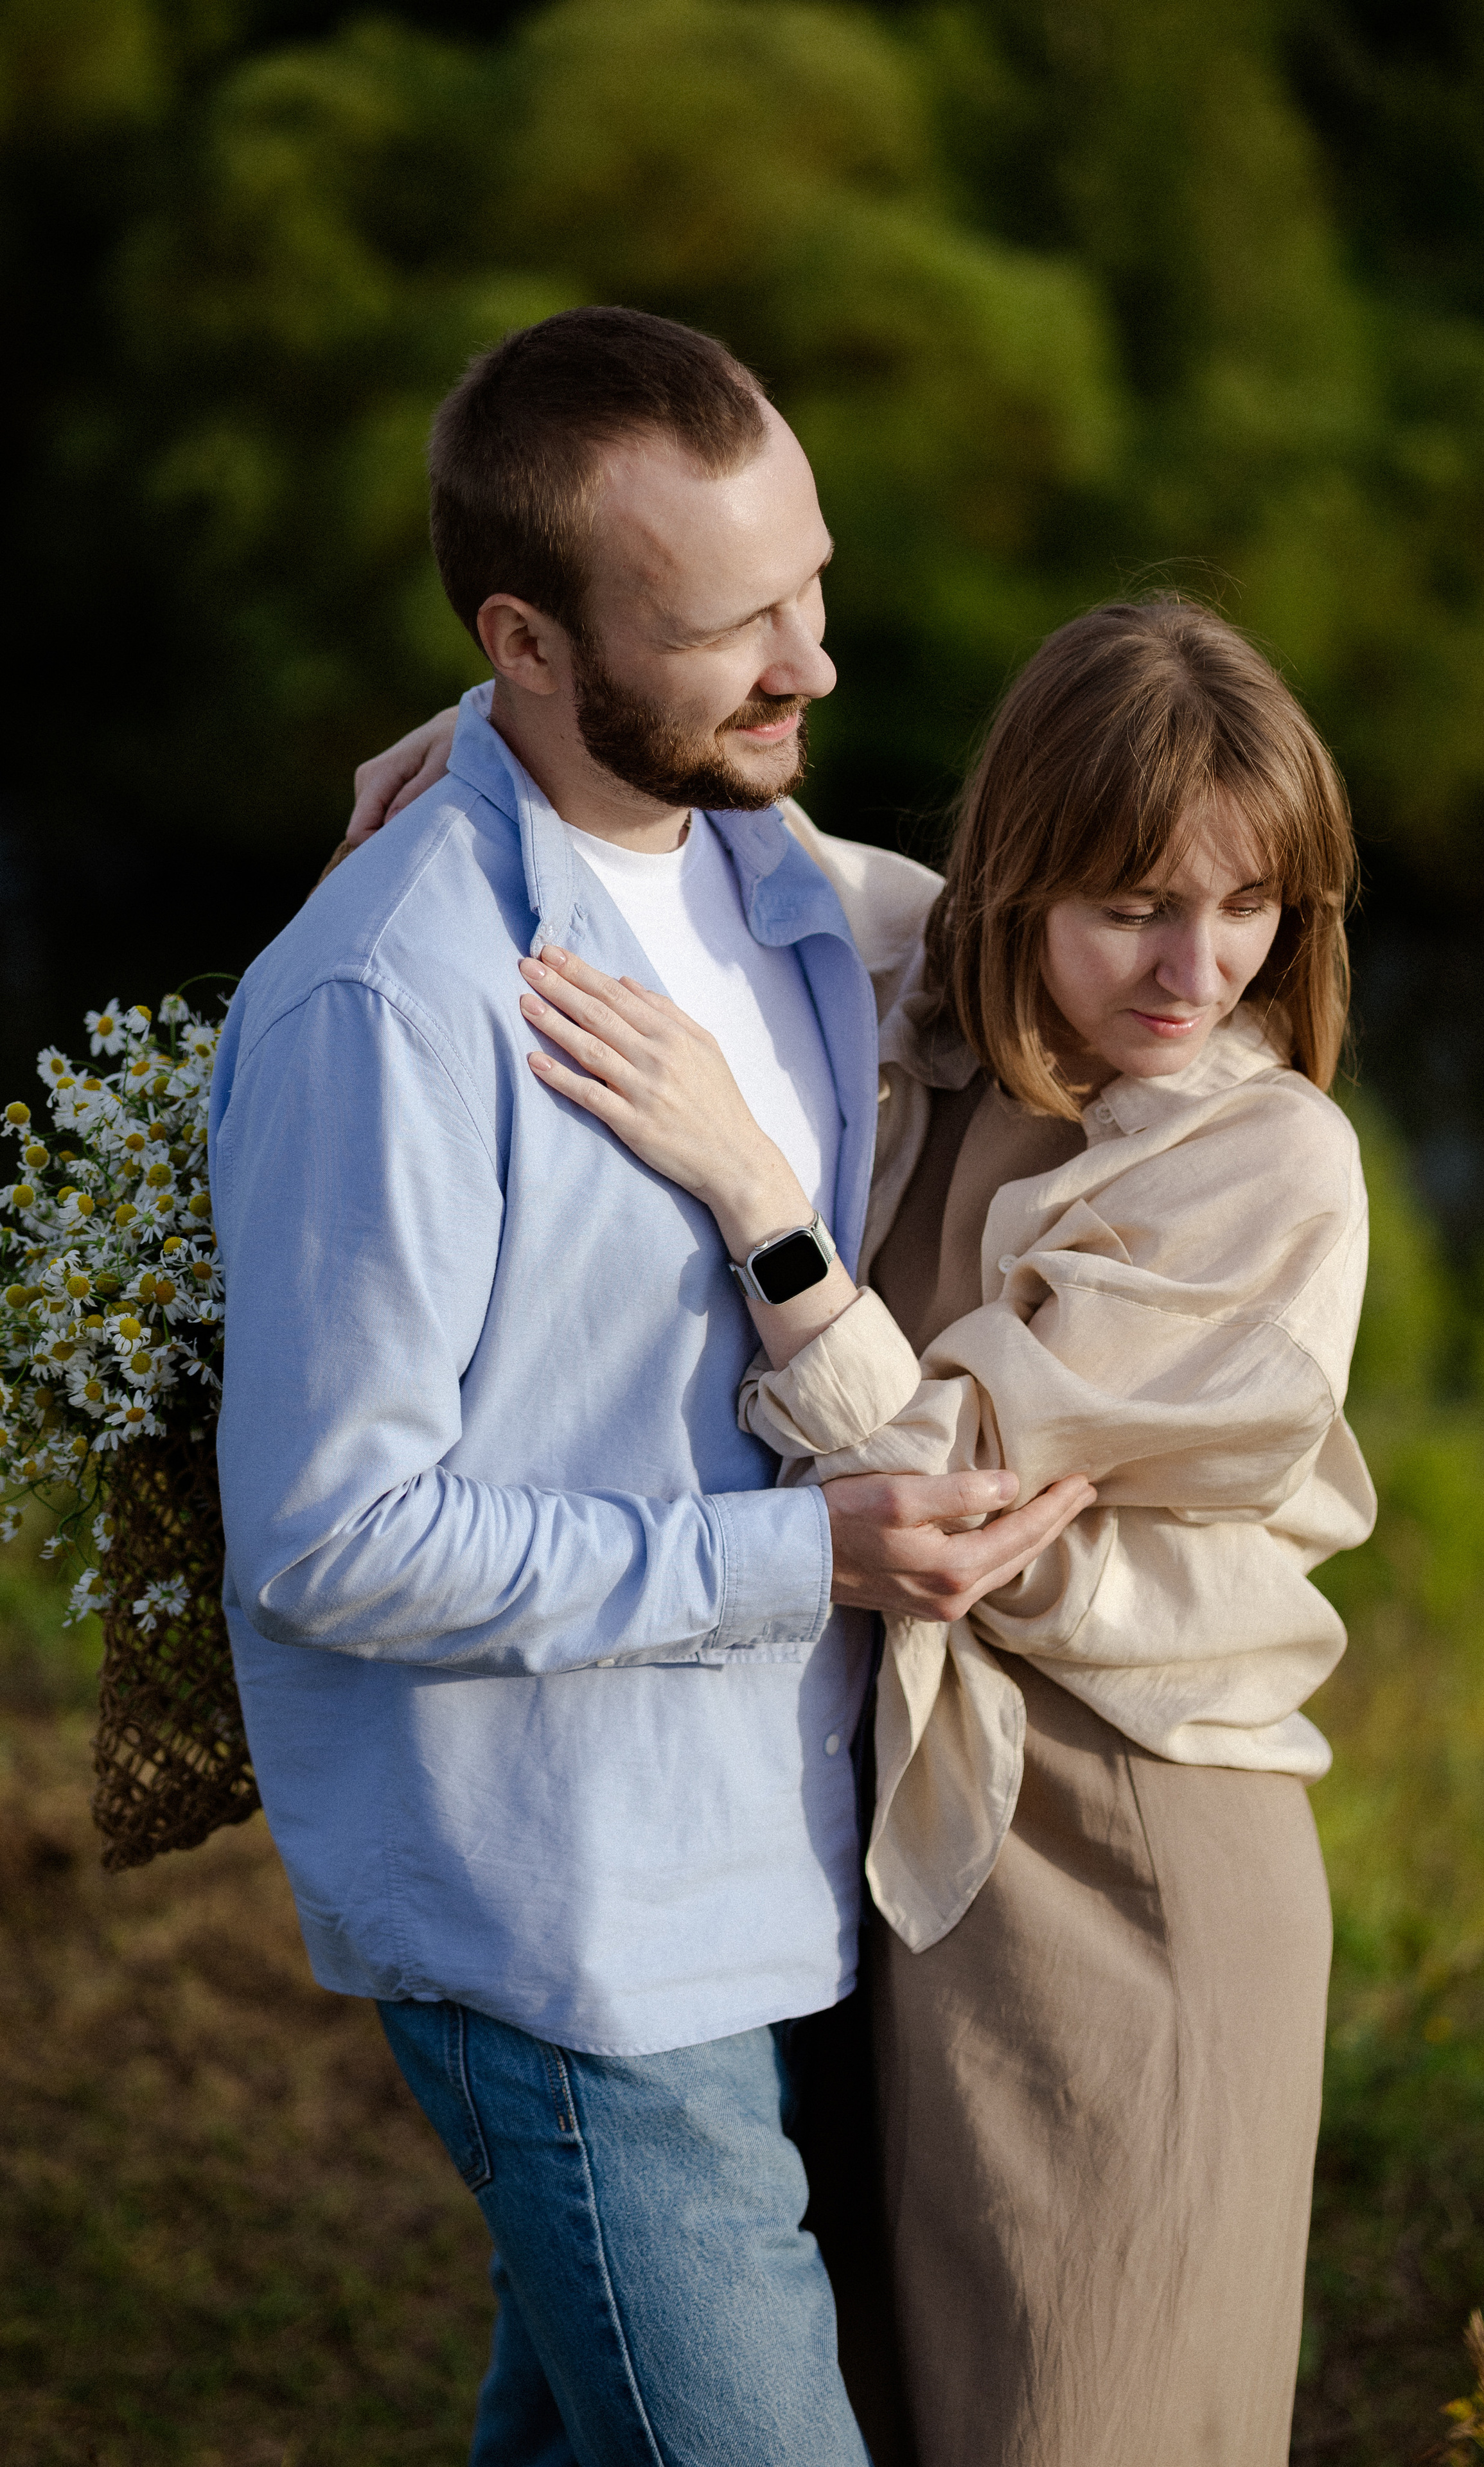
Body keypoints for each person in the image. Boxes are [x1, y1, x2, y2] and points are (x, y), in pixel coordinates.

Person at [208, 305, 1092, 2467]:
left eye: (811, 585)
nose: (808, 667)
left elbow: (1142, 948)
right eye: (729, 627)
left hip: (782, 1871)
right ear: (527, 637)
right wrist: (816, 1549)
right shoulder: (389, 1002)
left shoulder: (773, 874)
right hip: (573, 1935)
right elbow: (330, 1537)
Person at [488, 597, 1379, 2467]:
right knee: (893, 2405)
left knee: (1086, 2416)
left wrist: (756, 1189)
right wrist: (477, 726)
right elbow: (715, 801)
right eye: (1135, 899)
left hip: (1138, 1859)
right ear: (1015, 875)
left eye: (1252, 907)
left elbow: (929, 1495)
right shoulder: (923, 993)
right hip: (904, 1864)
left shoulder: (1262, 1162)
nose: (1193, 966)